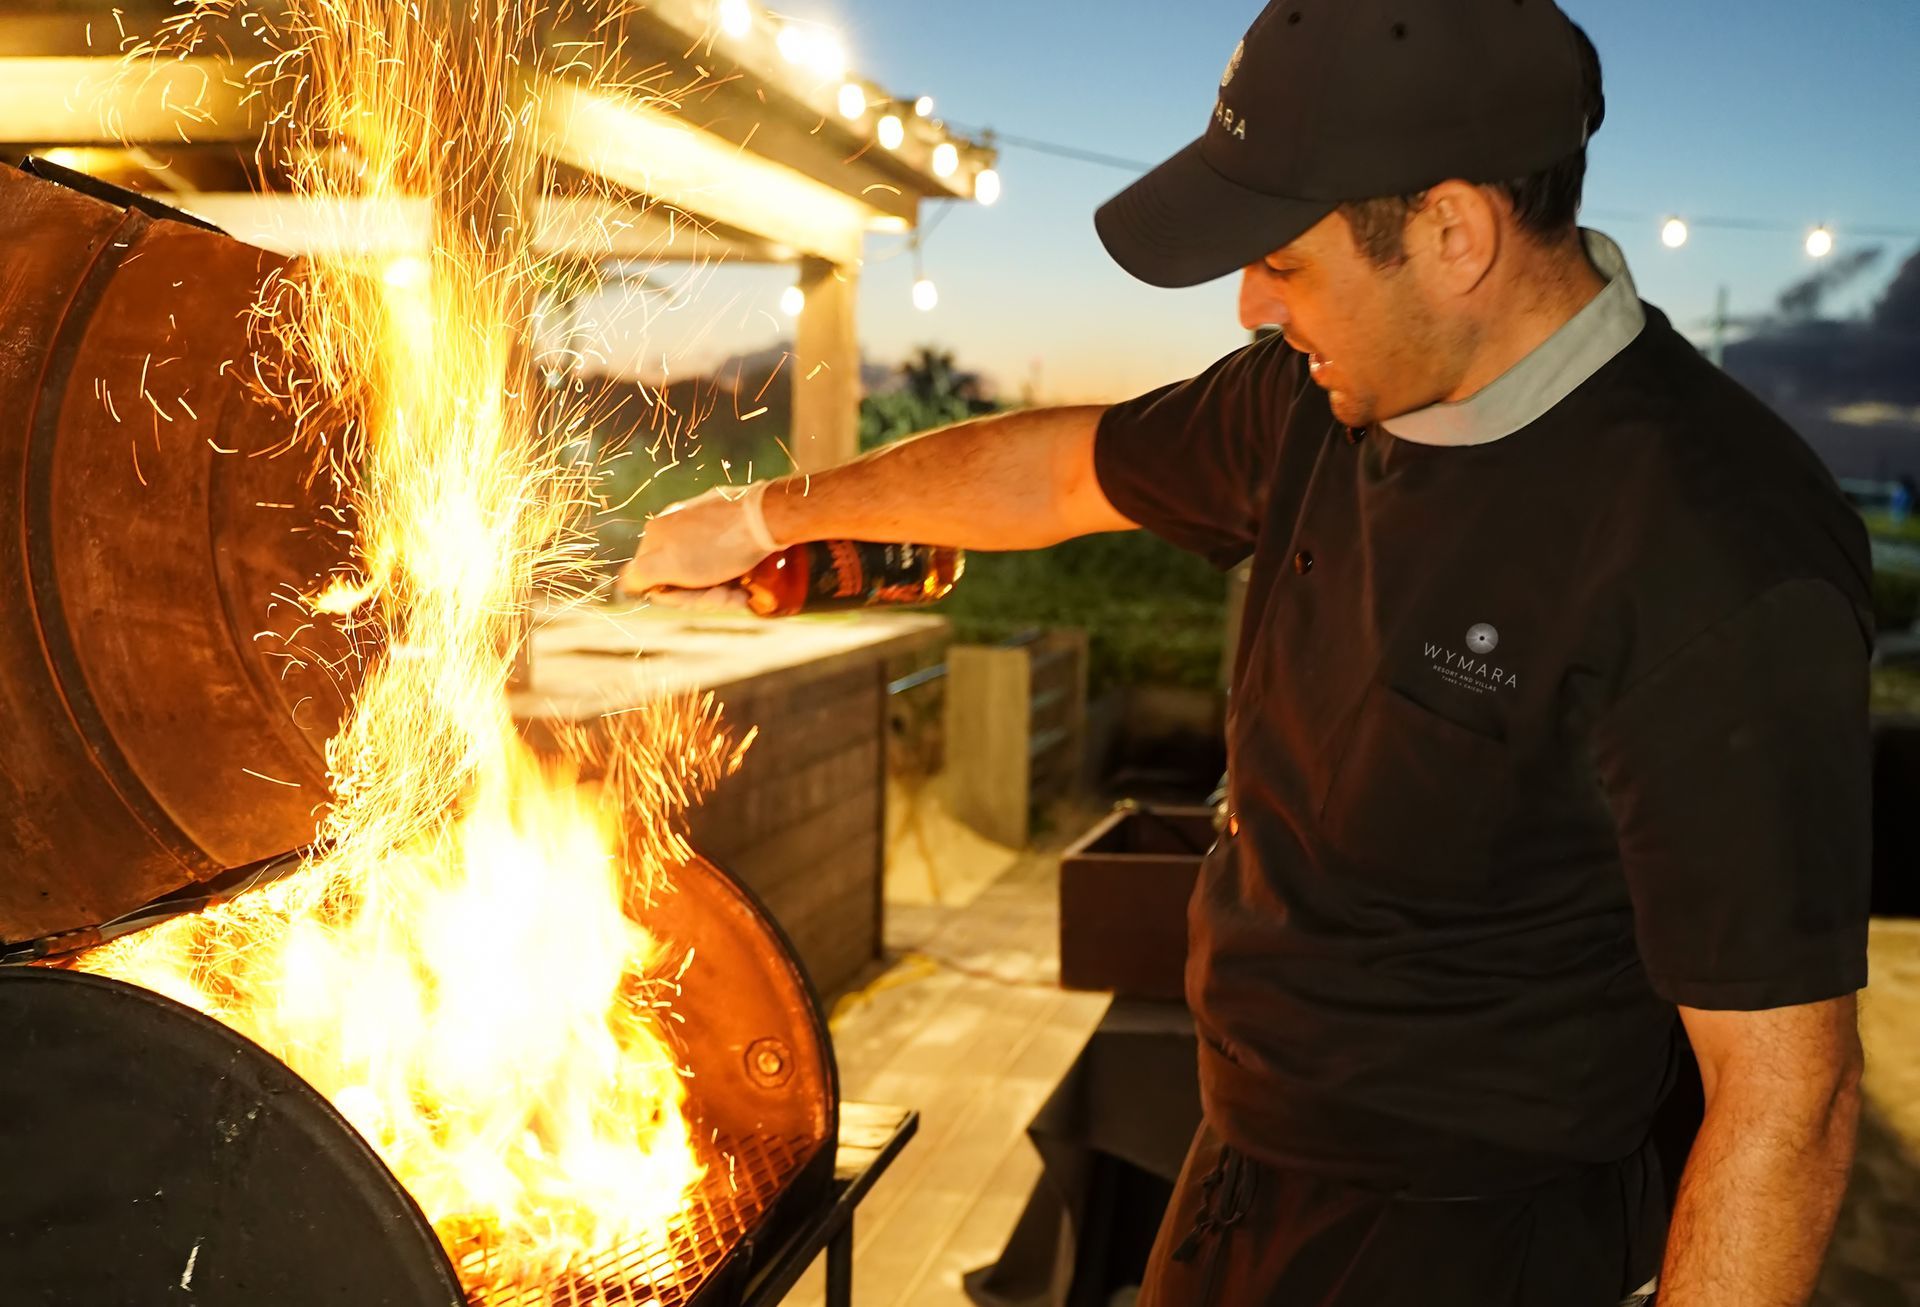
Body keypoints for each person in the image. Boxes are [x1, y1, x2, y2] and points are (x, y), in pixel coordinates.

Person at [621, 1, 1873, 1303]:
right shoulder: (1321, 401)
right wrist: (768, 515)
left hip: (1473, 1240)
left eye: (1283, 258)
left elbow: (1789, 1098)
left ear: (1455, 234)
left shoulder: (1718, 555)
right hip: (1242, 1165)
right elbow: (1058, 472)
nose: (1247, 306)